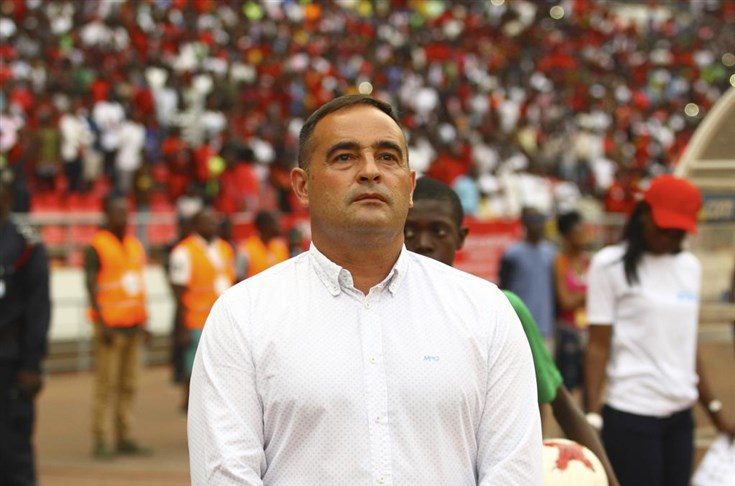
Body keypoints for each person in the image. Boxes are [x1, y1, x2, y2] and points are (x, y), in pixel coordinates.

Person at [188, 95, 541, 485]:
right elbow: (225, 475)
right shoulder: (243, 316)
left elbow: (514, 472)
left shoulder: (486, 311)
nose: (370, 171)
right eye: (345, 157)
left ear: (410, 186)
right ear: (302, 186)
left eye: (388, 157)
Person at [405, 176, 618, 486]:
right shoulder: (372, 310)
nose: (423, 243)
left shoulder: (500, 308)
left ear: (461, 238)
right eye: (409, 231)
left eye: (439, 231)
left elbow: (563, 406)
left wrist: (612, 480)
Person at [585, 175, 735, 486]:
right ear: (643, 214)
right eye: (663, 227)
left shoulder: (690, 267)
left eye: (677, 232)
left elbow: (687, 345)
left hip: (681, 417)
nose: (668, 237)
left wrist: (715, 413)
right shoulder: (608, 265)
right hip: (631, 416)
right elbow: (598, 346)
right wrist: (591, 417)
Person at [84, 193, 151, 458]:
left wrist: (145, 321)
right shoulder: (97, 246)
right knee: (106, 385)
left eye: (126, 212)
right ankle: (101, 438)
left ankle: (125, 435)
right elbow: (91, 286)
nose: (124, 217)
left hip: (133, 325)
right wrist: (102, 323)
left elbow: (138, 285)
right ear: (107, 216)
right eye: (118, 212)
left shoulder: (135, 245)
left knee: (129, 384)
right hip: (110, 328)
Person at [0, 166, 51, 485]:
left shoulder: (26, 244)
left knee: (12, 451)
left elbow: (38, 308)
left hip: (10, 361)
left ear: (6, 198)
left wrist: (32, 364)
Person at [169, 207, 235, 411]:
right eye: (208, 221)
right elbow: (178, 291)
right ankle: (190, 406)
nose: (213, 225)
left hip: (224, 319)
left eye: (215, 220)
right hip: (197, 319)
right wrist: (181, 326)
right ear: (196, 225)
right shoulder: (183, 251)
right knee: (193, 367)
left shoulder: (224, 247)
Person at [498, 206, 556, 345]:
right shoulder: (512, 254)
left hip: (545, 326)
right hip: (519, 325)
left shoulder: (550, 253)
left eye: (541, 220)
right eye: (533, 220)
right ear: (524, 223)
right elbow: (504, 288)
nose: (538, 224)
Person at [554, 210, 590, 393]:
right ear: (567, 236)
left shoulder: (589, 262)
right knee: (569, 385)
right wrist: (588, 294)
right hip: (569, 331)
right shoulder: (560, 263)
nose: (583, 234)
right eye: (578, 231)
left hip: (589, 330)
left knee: (590, 385)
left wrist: (578, 296)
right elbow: (565, 301)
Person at [235, 210, 289, 280]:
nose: (280, 226)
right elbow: (239, 279)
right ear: (264, 226)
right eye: (275, 223)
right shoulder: (246, 250)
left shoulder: (281, 246)